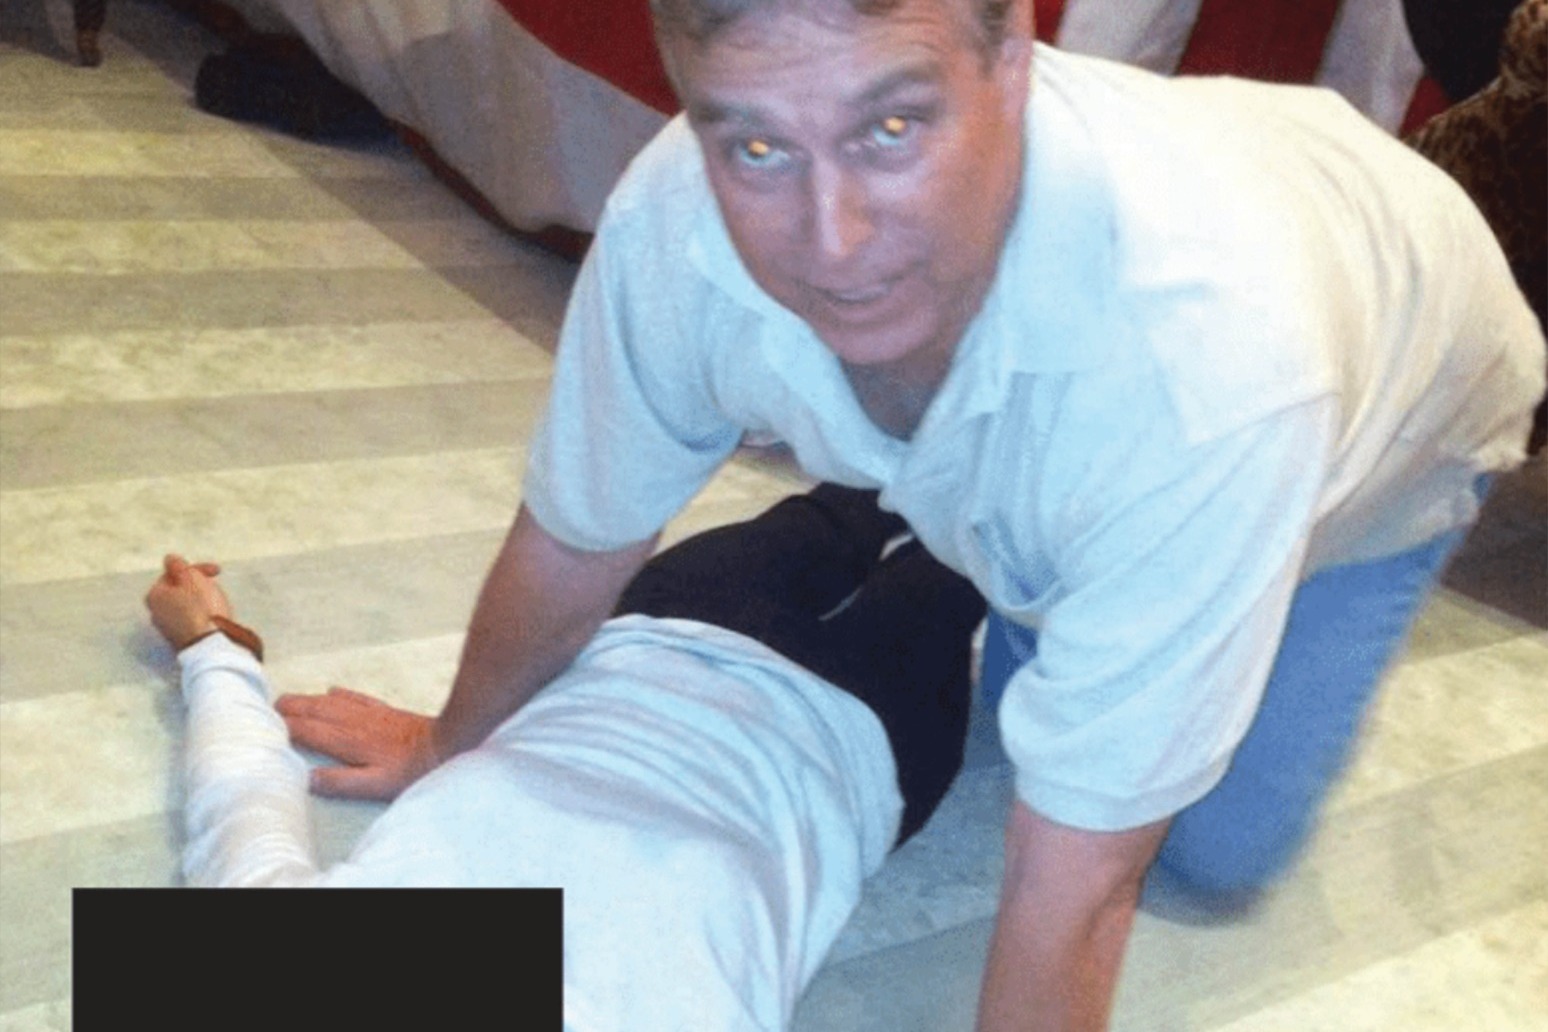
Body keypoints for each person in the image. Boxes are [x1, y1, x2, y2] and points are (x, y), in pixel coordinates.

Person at [280, 1, 1547, 1030]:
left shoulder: (1207, 378)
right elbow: (573, 542)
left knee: (1202, 854)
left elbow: (1080, 894)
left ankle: (1048, 548)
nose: (831, 244)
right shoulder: (676, 216)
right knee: (1053, 635)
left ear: (1016, 58)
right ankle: (1005, 527)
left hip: (1405, 399)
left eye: (891, 127)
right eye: (757, 148)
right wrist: (450, 747)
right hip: (1190, 326)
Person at [145, 485, 986, 1030]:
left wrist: (210, 644)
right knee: (974, 534)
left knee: (848, 500)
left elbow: (239, 795)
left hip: (659, 642)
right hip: (854, 743)